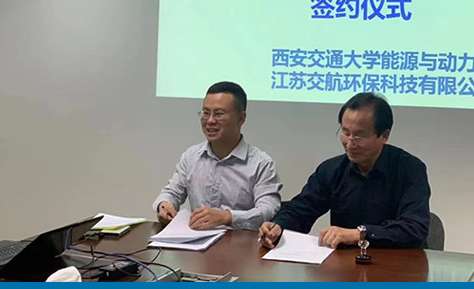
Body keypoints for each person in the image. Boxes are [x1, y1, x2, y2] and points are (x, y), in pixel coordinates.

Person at [261, 92, 430, 249]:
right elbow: (301, 210)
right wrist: (278, 226)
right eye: (345, 132)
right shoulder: (331, 170)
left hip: (397, 263)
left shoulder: (410, 169)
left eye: (359, 136)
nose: (350, 143)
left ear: (384, 135)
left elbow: (414, 229)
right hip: (344, 264)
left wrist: (359, 234)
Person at [153, 81, 282, 231]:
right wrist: (164, 204)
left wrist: (228, 217)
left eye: (219, 114)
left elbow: (267, 211)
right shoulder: (191, 156)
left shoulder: (261, 163)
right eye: (206, 113)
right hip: (196, 240)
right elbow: (172, 192)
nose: (210, 121)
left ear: (241, 118)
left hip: (241, 242)